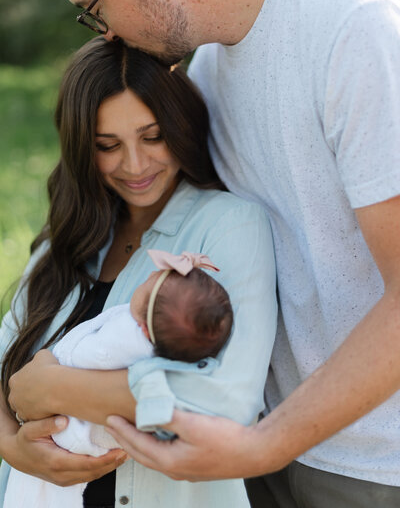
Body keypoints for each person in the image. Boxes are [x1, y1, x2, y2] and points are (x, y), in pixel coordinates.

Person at [21, 0, 400, 506]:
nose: (105, 36)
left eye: (94, 9)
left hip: (371, 465)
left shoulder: (359, 27)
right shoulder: (211, 71)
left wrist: (264, 445)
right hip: (256, 453)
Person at [0, 35, 277, 508]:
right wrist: (13, 448)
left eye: (152, 137)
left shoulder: (228, 224)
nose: (135, 165)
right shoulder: (66, 236)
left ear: (180, 128)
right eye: (108, 145)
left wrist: (51, 387)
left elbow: (224, 402)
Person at [3, 249, 234, 508]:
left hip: (73, 433)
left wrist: (50, 374)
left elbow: (91, 355)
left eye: (151, 285)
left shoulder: (130, 337)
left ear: (145, 328)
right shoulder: (53, 251)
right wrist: (9, 444)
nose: (151, 274)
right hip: (47, 440)